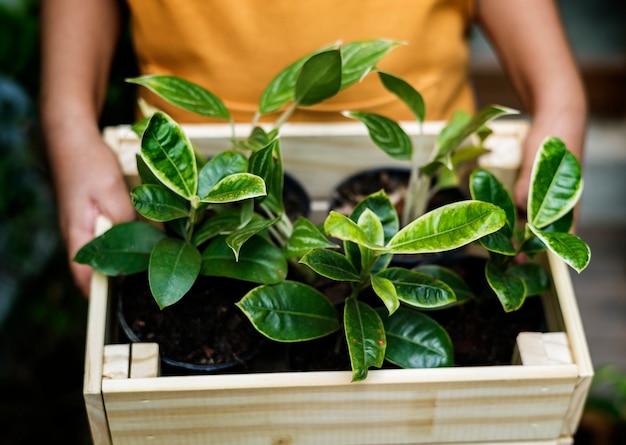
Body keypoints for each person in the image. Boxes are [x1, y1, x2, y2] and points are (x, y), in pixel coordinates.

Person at [40, 0, 587, 297]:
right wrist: (69, 124)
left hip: (432, 183)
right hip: (194, 188)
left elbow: (554, 89)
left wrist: (560, 98)